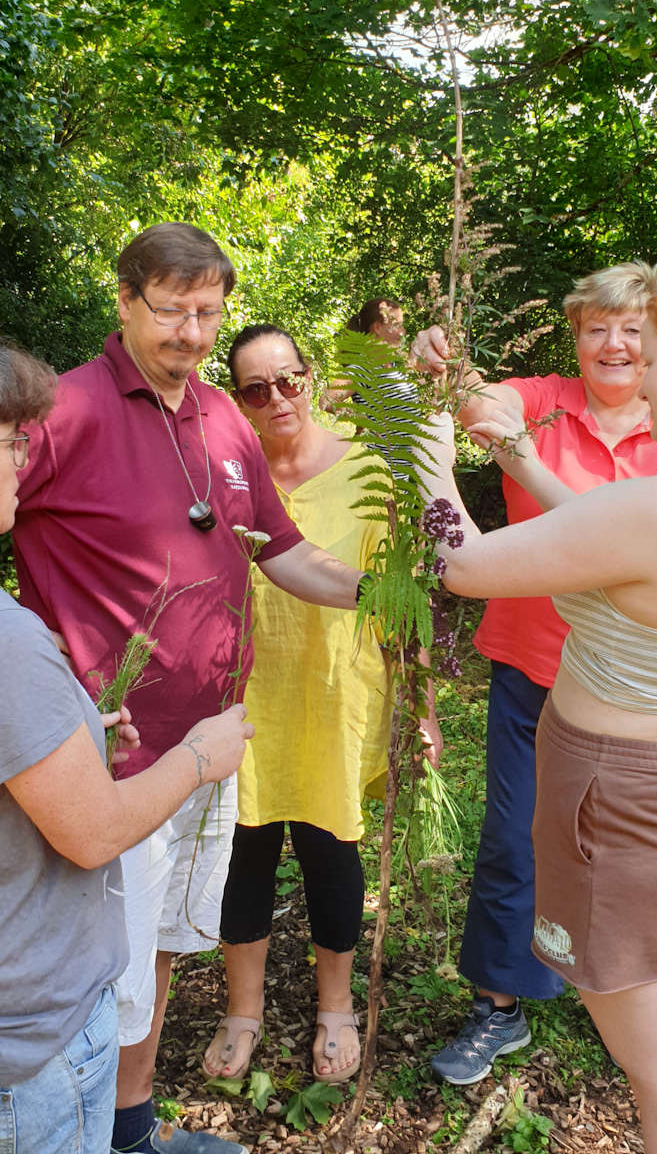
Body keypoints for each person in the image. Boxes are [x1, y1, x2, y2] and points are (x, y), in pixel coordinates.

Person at [11, 223, 368, 1154]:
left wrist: (390, 591)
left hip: (212, 746)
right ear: (124, 300)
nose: (192, 331)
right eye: (171, 309)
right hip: (110, 758)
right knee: (103, 968)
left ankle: (129, 1129)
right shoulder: (62, 409)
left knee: (162, 947)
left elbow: (283, 551)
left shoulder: (221, 417)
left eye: (208, 311)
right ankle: (78, 1136)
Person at [417, 266, 657, 1154]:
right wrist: (522, 458)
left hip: (616, 814)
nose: (634, 374)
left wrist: (427, 459)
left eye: (650, 354)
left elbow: (464, 565)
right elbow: (612, 536)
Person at [0, 321, 252, 1154]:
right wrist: (200, 757)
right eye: (10, 444)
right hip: (25, 1042)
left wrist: (69, 739)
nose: (25, 459)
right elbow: (92, 832)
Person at [411, 262, 657, 1084]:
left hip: (632, 687)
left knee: (624, 852)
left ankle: (623, 992)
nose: (614, 343)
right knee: (514, 838)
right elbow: (480, 405)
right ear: (575, 335)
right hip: (533, 672)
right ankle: (500, 1006)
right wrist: (444, 371)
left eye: (631, 328)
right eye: (597, 326)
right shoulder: (543, 398)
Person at [199, 324, 442, 1085]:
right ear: (234, 398)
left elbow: (400, 599)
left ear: (311, 376)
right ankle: (243, 1010)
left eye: (288, 379)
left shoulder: (368, 471)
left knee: (330, 855)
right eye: (254, 388)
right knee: (243, 858)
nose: (276, 399)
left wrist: (424, 705)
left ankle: (334, 1006)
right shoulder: (218, 473)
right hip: (242, 697)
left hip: (337, 694)